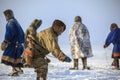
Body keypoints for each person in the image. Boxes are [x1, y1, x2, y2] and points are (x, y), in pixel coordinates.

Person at [0, 9, 25, 76]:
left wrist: (5, 42)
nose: (6, 17)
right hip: (19, 44)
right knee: (16, 58)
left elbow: (9, 33)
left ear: (8, 15)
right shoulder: (16, 22)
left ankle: (16, 69)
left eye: (6, 15)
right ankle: (17, 69)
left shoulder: (10, 23)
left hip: (14, 45)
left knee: (10, 57)